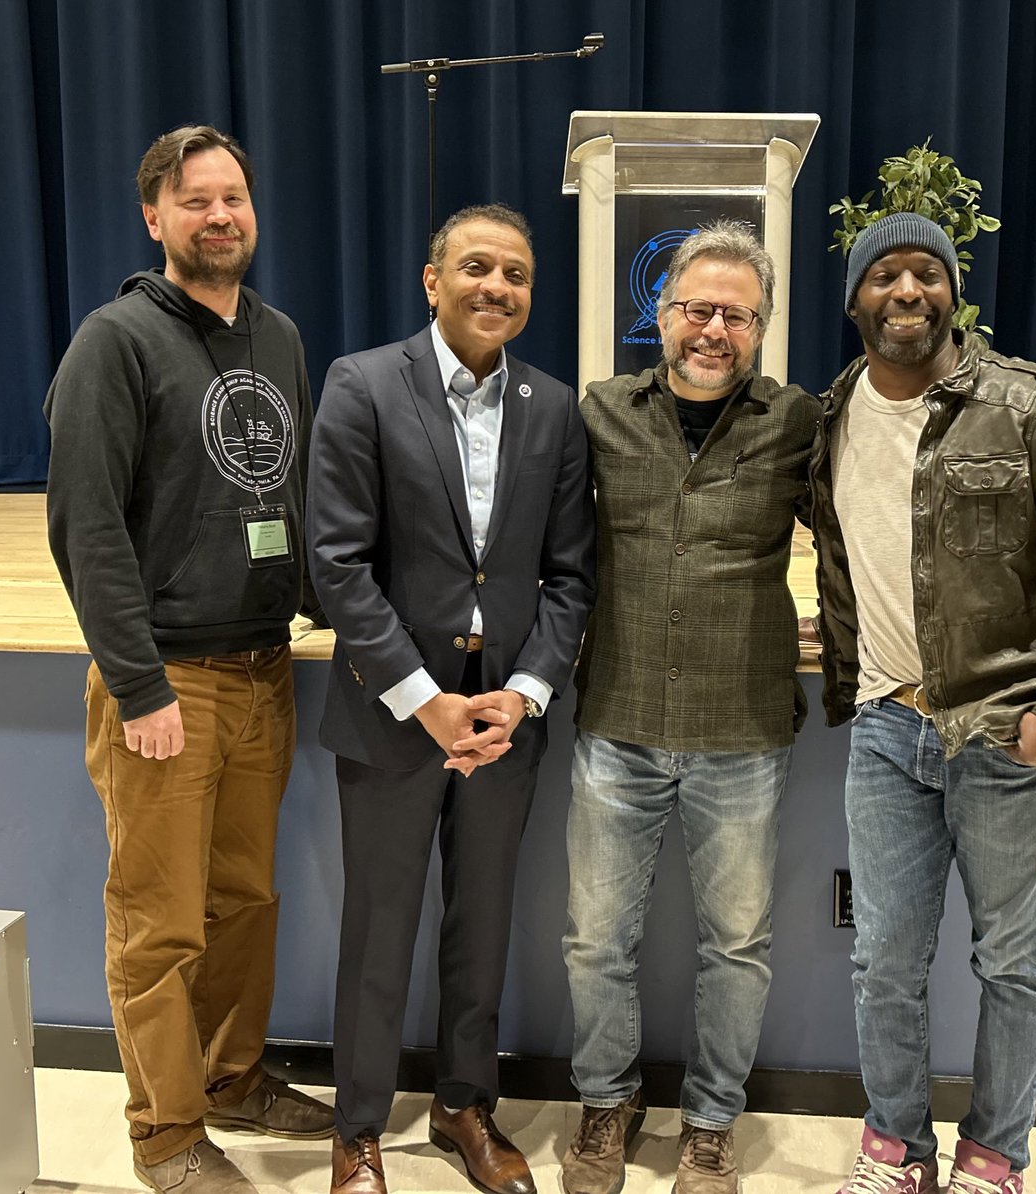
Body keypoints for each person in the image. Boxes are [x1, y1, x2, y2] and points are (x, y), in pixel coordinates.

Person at [813, 212, 1036, 1194]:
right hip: (884, 730)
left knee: (1012, 966)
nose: (906, 292)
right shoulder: (831, 414)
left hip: (1010, 733)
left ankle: (994, 1158)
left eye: (926, 274)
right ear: (855, 299)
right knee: (883, 965)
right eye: (885, 276)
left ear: (952, 292)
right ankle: (896, 1150)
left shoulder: (1033, 403)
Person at [45, 124, 333, 1194]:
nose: (222, 217)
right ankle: (166, 1135)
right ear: (156, 217)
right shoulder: (113, 342)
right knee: (159, 922)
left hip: (263, 670)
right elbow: (87, 527)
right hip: (171, 682)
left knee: (245, 901)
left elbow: (286, 502)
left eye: (236, 199)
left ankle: (233, 1079)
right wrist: (137, 683)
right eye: (198, 200)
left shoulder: (280, 337)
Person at [308, 203, 597, 1194]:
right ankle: (357, 1129)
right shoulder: (362, 385)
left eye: (517, 275)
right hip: (394, 714)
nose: (498, 288)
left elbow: (569, 577)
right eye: (478, 268)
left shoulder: (556, 409)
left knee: (484, 925)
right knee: (380, 929)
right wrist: (424, 698)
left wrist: (520, 697)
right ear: (432, 281)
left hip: (503, 721)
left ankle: (464, 1107)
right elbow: (338, 565)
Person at [561, 220, 819, 1194]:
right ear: (659, 314)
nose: (714, 328)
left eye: (736, 315)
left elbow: (854, 533)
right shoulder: (600, 414)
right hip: (618, 721)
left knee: (737, 946)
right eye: (696, 309)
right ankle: (604, 1102)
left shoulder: (795, 422)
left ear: (760, 327)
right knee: (594, 940)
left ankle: (711, 1124)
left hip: (742, 729)